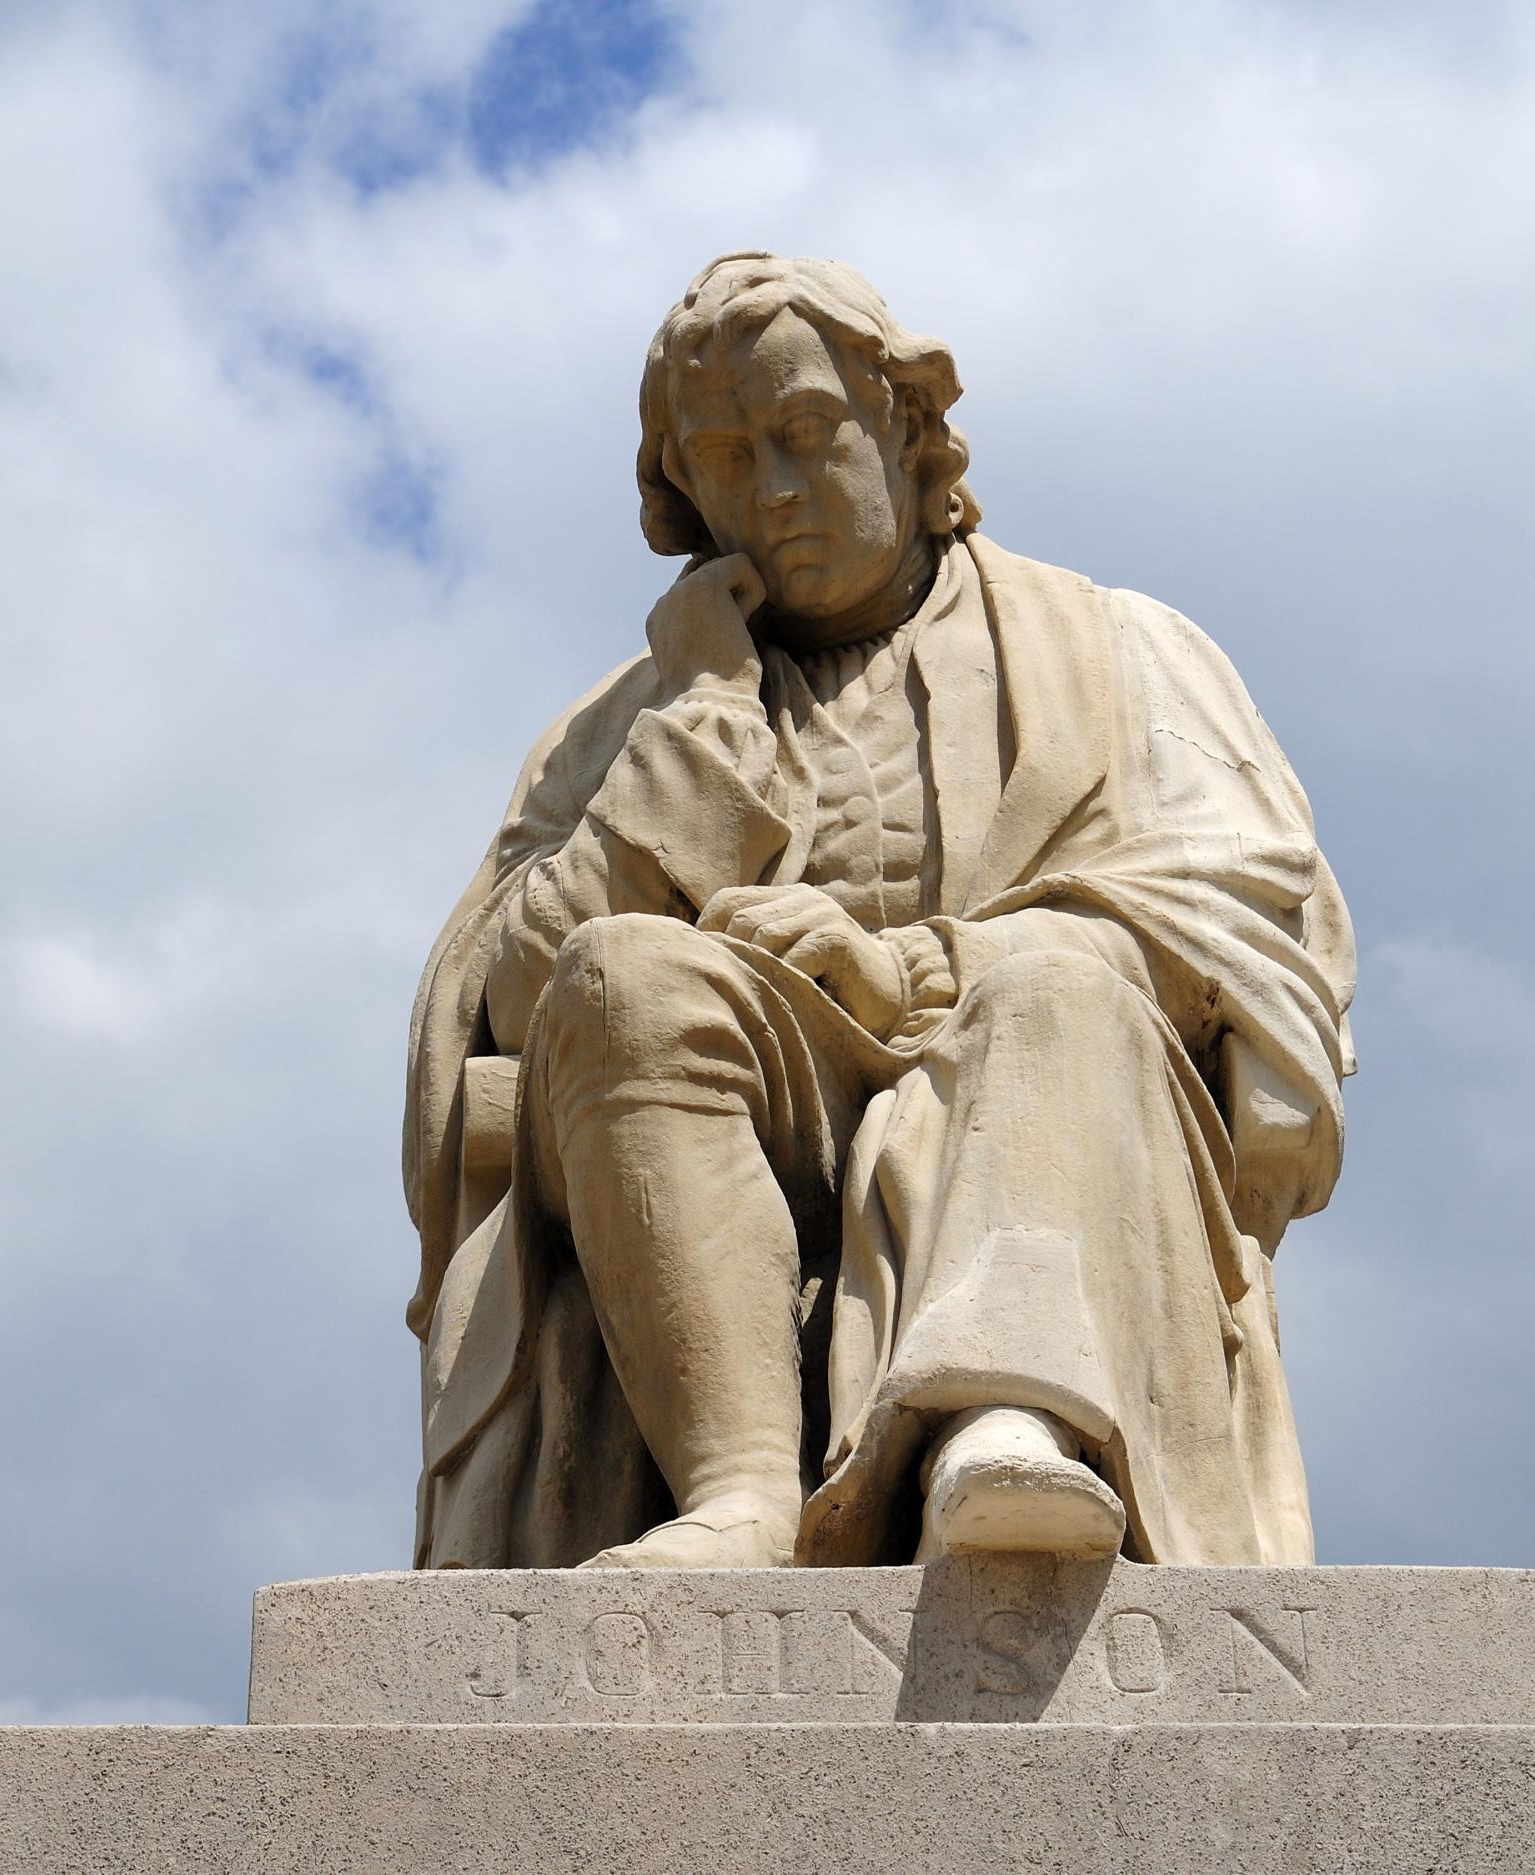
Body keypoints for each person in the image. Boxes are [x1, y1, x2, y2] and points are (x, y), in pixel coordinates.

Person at [402, 253, 1356, 1570]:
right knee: (622, 977)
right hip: (751, 1111)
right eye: (725, 457)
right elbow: (511, 1004)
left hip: (1038, 1076)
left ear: (905, 426)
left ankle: (1013, 1424)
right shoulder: (617, 730)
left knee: (1059, 986)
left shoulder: (1117, 645)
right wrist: (700, 724)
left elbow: (1243, 906)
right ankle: (737, 1495)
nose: (772, 490)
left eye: (803, 432)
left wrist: (912, 970)